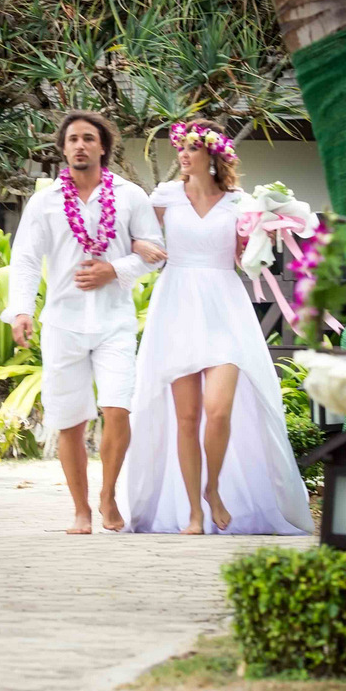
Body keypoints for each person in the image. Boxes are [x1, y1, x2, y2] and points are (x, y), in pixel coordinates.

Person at [122, 120, 313, 536]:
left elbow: (247, 258)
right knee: (187, 417)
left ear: (213, 154)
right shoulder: (165, 197)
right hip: (177, 305)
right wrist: (139, 245)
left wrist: (259, 242)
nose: (183, 155)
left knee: (218, 410)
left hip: (224, 306)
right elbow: (132, 234)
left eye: (193, 147)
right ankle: (194, 511)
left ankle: (213, 489)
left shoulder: (240, 203)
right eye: (181, 147)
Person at [4, 111, 163, 533]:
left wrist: (115, 270)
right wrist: (21, 309)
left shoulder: (130, 195)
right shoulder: (45, 202)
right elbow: (25, 258)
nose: (80, 145)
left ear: (102, 146)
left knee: (118, 409)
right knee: (70, 420)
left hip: (115, 321)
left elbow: (155, 251)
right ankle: (80, 510)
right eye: (72, 138)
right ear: (62, 148)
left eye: (88, 138)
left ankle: (108, 495)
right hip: (63, 323)